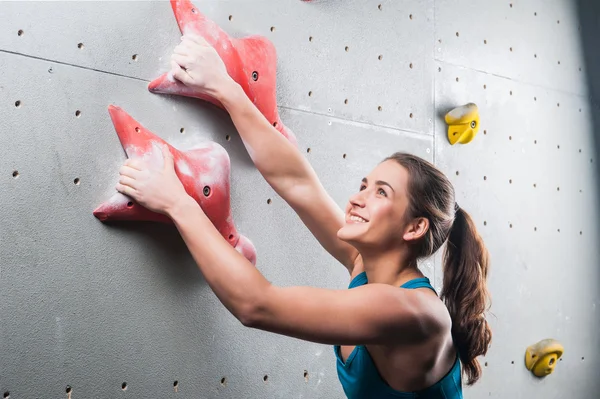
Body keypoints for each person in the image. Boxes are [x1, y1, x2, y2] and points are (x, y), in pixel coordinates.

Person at [115, 34, 492, 398]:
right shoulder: (367, 266)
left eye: (381, 192)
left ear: (415, 227)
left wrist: (178, 204)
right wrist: (224, 87)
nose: (357, 199)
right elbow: (296, 182)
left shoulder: (410, 310)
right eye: (364, 184)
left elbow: (256, 305)